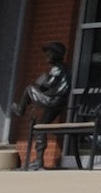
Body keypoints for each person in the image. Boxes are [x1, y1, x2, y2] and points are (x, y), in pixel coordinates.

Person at [14, 40, 71, 169]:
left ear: (56, 55)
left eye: (49, 54)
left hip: (53, 101)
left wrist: (42, 81)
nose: (46, 57)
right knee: (41, 126)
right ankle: (39, 161)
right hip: (57, 101)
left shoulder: (58, 68)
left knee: (29, 89)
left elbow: (49, 84)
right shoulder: (61, 69)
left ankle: (20, 109)